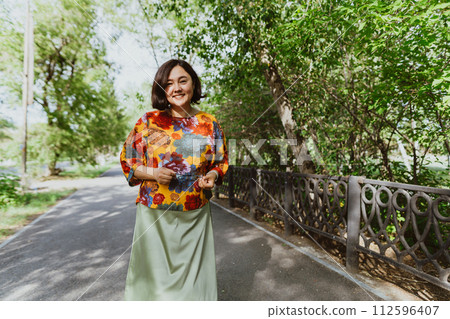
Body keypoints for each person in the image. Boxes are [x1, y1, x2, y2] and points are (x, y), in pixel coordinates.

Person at [120, 59, 228, 301]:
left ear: (193, 84)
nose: (176, 88)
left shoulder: (209, 124)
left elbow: (219, 163)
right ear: (162, 89)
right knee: (155, 283)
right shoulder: (148, 122)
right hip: (154, 215)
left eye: (183, 81)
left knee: (193, 284)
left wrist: (211, 176)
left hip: (195, 214)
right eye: (168, 83)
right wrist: (154, 174)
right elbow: (128, 162)